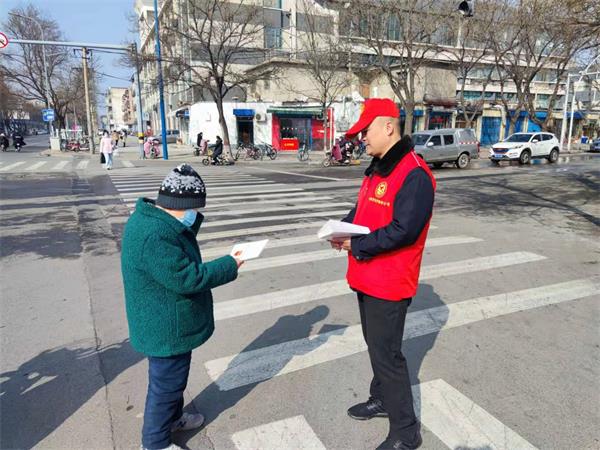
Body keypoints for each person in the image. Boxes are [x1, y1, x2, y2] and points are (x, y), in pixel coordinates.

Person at [331, 98, 435, 450]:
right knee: (377, 348)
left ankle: (406, 432)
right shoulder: (378, 167)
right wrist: (341, 229)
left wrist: (357, 245)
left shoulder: (414, 173)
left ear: (388, 127)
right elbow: (362, 210)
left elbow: (404, 231)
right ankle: (381, 398)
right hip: (367, 275)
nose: (362, 138)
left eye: (366, 131)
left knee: (388, 356)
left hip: (389, 282)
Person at [121, 164, 243, 450]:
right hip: (165, 327)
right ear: (179, 205)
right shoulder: (155, 235)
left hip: (162, 319)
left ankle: (173, 419)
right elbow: (188, 277)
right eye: (193, 209)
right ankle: (155, 443)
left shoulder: (154, 220)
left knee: (172, 381)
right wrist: (231, 263)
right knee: (165, 387)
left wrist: (190, 221)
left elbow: (179, 244)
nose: (194, 214)